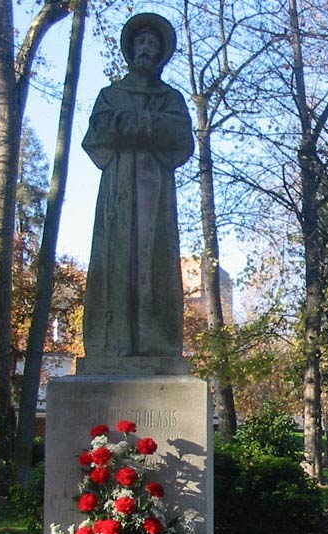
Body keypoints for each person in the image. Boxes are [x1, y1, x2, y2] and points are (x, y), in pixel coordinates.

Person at [81, 13, 194, 361]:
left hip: (155, 194)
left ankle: (154, 343)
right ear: (130, 49)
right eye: (140, 42)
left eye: (152, 43)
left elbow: (181, 137)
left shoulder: (170, 98)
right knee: (115, 260)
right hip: (117, 192)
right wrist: (140, 126)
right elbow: (97, 134)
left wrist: (137, 125)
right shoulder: (110, 95)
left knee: (154, 260)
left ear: (161, 52)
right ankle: (112, 343)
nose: (146, 48)